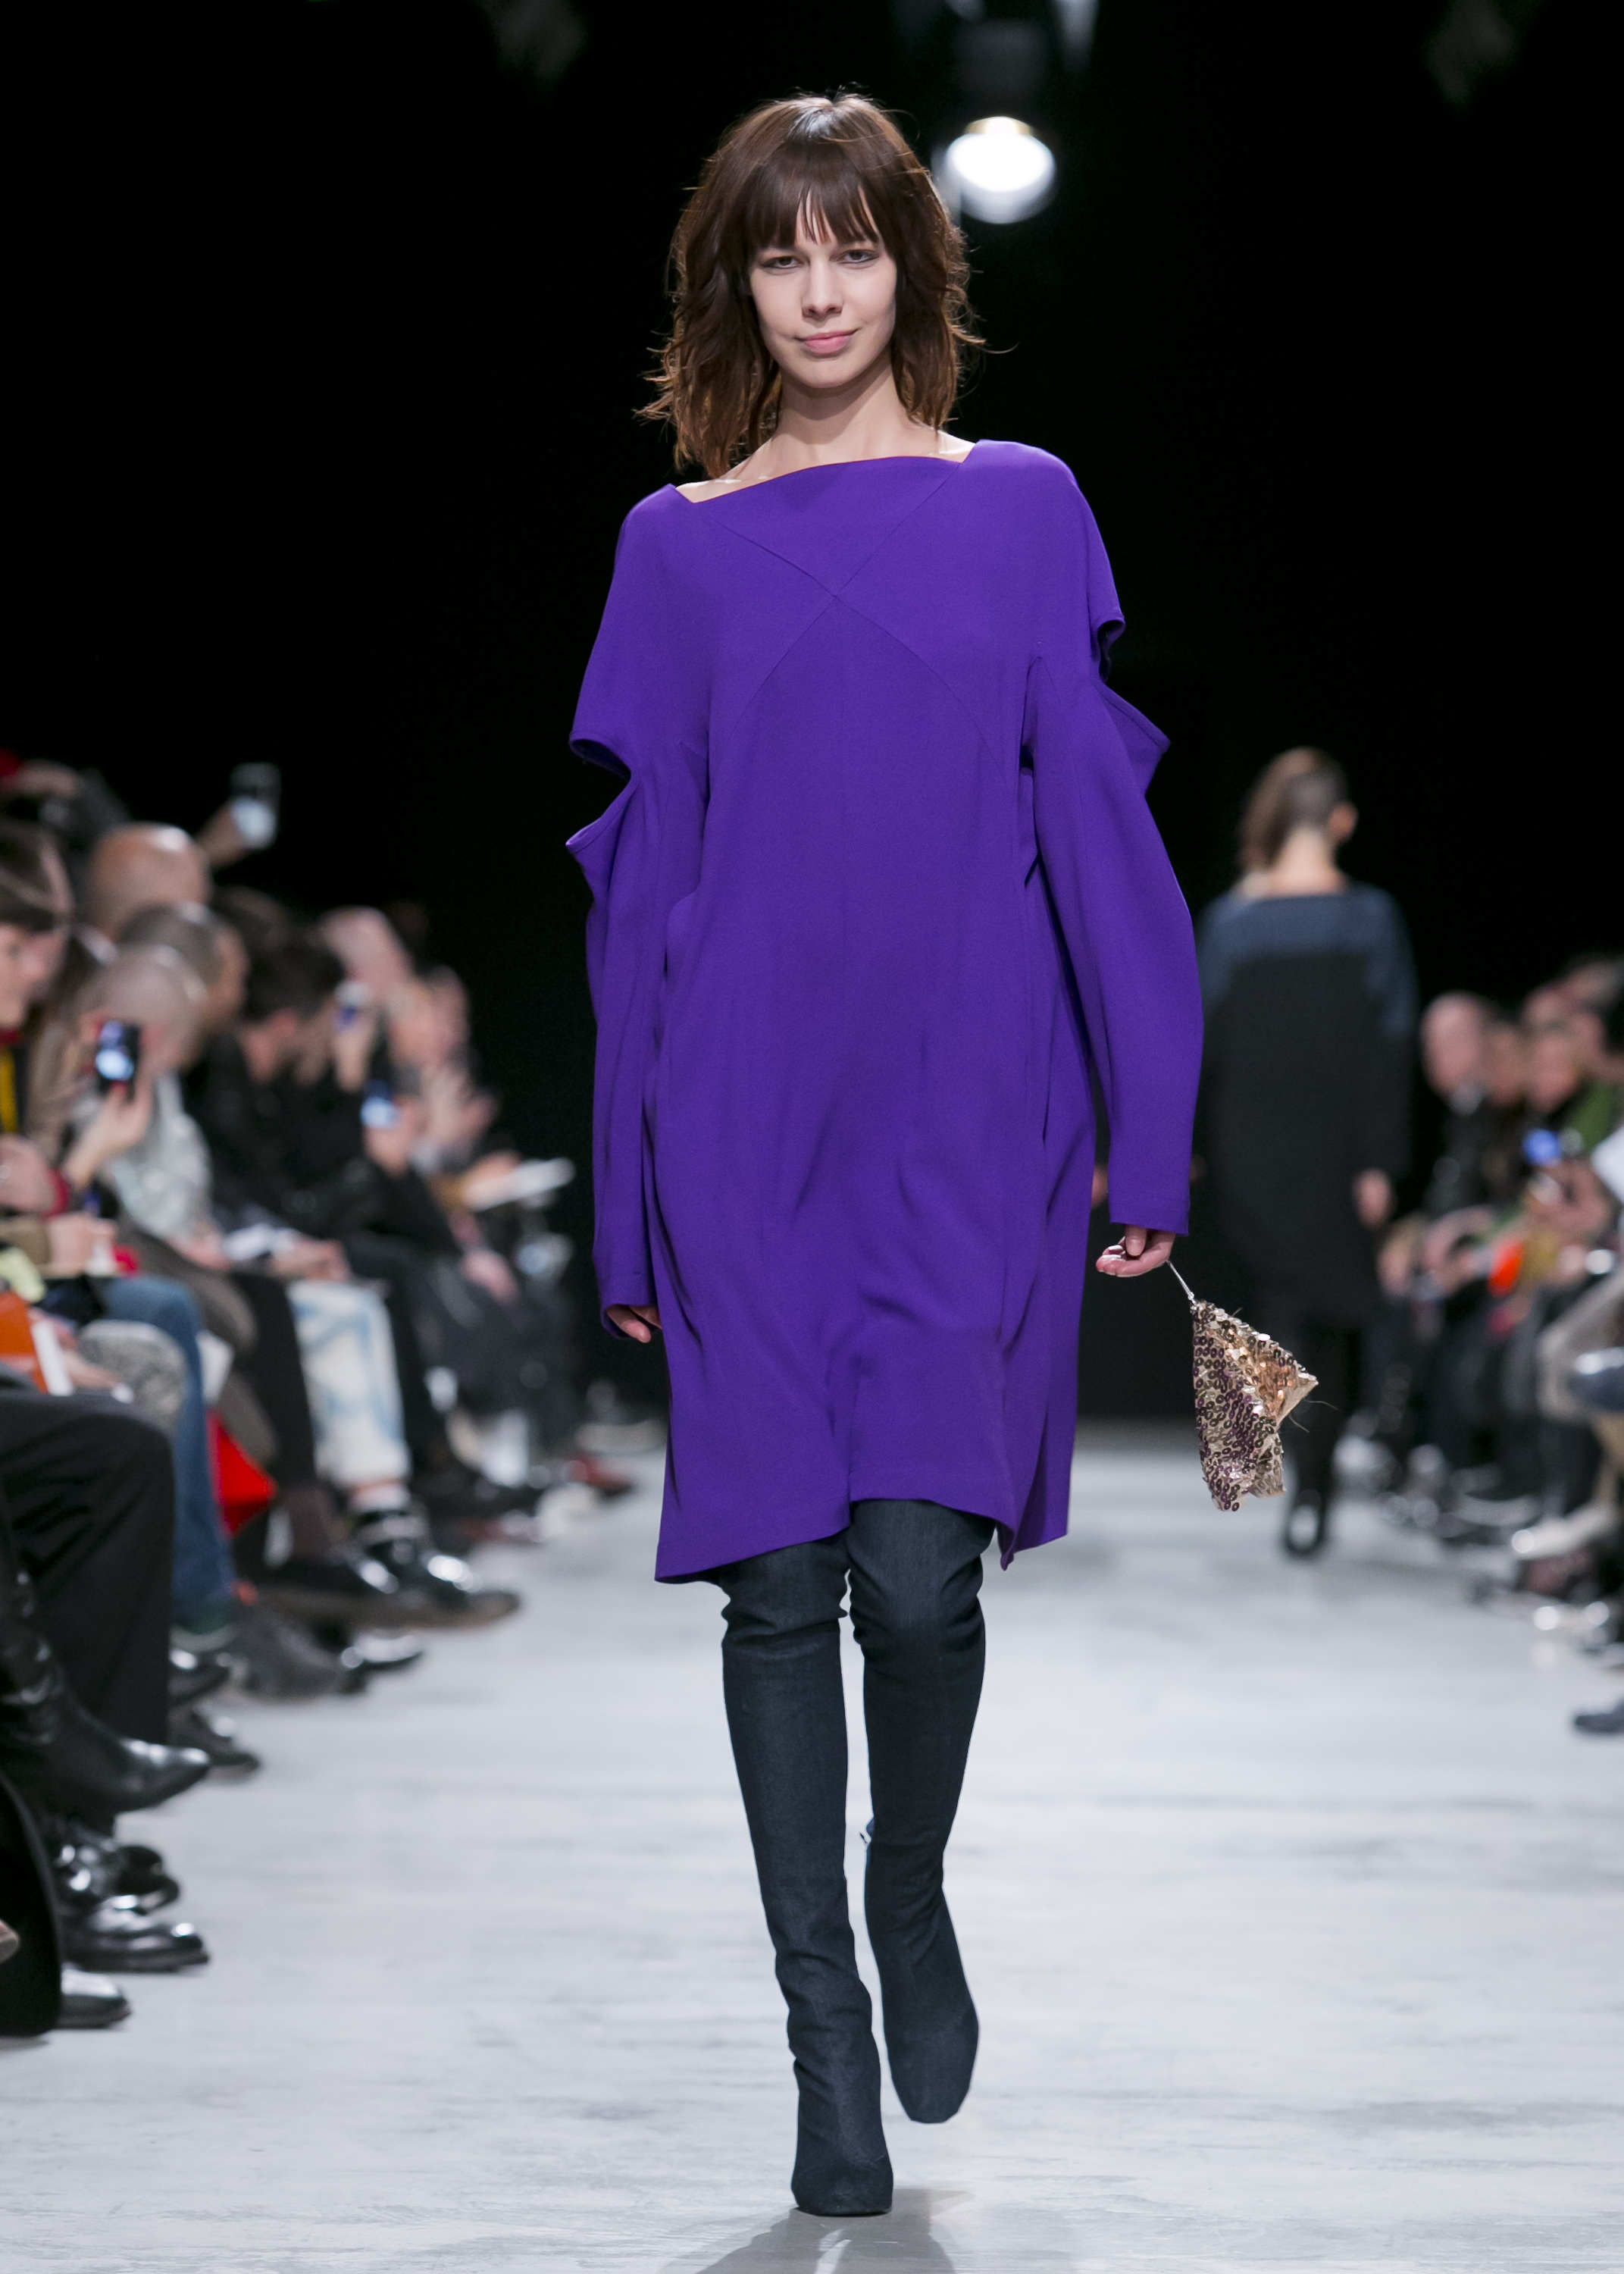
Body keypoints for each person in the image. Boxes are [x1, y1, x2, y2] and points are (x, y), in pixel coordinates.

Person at [568, 96, 1201, 2216]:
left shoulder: (1021, 506)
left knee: (921, 1588)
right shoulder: (675, 545)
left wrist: (1148, 1127)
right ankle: (819, 2026)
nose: (818, 292)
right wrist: (620, 1188)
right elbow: (642, 887)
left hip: (963, 1106)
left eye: (850, 250)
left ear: (911, 270)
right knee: (776, 1587)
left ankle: (903, 1880)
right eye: (779, 256)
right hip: (739, 1115)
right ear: (732, 287)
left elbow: (1099, 832)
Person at [1197, 747, 1416, 1556]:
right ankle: (1314, 1485)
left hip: (1250, 1147)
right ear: (1342, 821)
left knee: (1282, 1308)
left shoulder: (1231, 924)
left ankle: (1302, 1479)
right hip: (1338, 1151)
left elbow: (1198, 1047)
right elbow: (1390, 1047)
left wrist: (1185, 1146)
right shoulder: (1368, 921)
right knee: (1332, 1316)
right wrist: (1378, 1158)